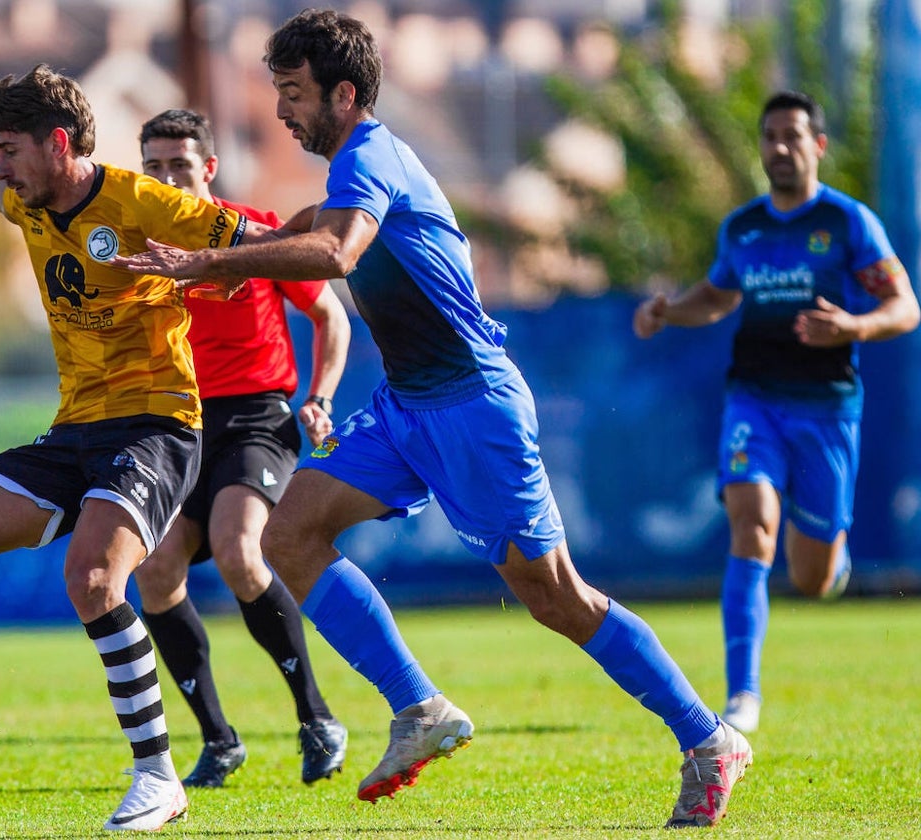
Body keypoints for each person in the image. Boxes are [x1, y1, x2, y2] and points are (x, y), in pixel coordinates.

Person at [115, 8, 753, 828]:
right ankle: (418, 707)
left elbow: (338, 252)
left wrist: (211, 262)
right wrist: (236, 240)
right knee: (289, 535)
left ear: (344, 93)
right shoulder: (355, 163)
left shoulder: (373, 155)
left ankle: (708, 740)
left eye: (294, 94)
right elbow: (313, 225)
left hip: (473, 406)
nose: (281, 111)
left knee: (554, 597)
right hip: (408, 408)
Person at [0, 64, 270, 832]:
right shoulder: (30, 200)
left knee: (93, 578)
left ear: (59, 144)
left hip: (158, 423)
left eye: (12, 149)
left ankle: (159, 778)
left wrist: (196, 269)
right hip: (77, 429)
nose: (5, 165)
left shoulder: (141, 201)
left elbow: (257, 244)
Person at [633, 90, 919, 734]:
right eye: (769, 136)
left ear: (818, 145)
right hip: (754, 401)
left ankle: (831, 562)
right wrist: (670, 310)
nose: (779, 148)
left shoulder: (848, 223)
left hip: (826, 410)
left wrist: (852, 325)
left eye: (792, 136)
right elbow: (718, 294)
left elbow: (906, 307)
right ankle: (743, 695)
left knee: (813, 576)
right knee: (752, 521)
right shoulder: (743, 227)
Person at [133, 108, 351, 787]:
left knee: (236, 547)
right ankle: (218, 739)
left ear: (209, 167)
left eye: (179, 164)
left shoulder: (253, 233)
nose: (169, 177)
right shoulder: (139, 251)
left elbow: (329, 315)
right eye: (155, 168)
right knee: (156, 569)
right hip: (179, 425)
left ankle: (316, 718)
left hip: (258, 416)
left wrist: (320, 398)